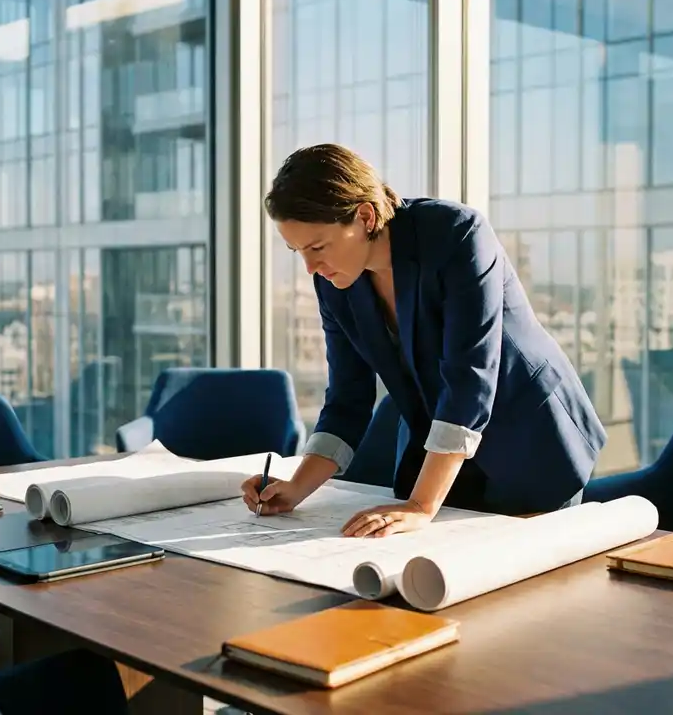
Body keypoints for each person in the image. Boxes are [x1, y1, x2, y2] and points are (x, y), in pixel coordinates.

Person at [241, 143, 607, 537]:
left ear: (365, 216)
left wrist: (421, 504)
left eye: (317, 247)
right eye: (297, 251)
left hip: (527, 442)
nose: (310, 267)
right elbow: (348, 396)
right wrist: (297, 487)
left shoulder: (456, 233)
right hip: (437, 454)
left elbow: (470, 376)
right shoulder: (334, 281)